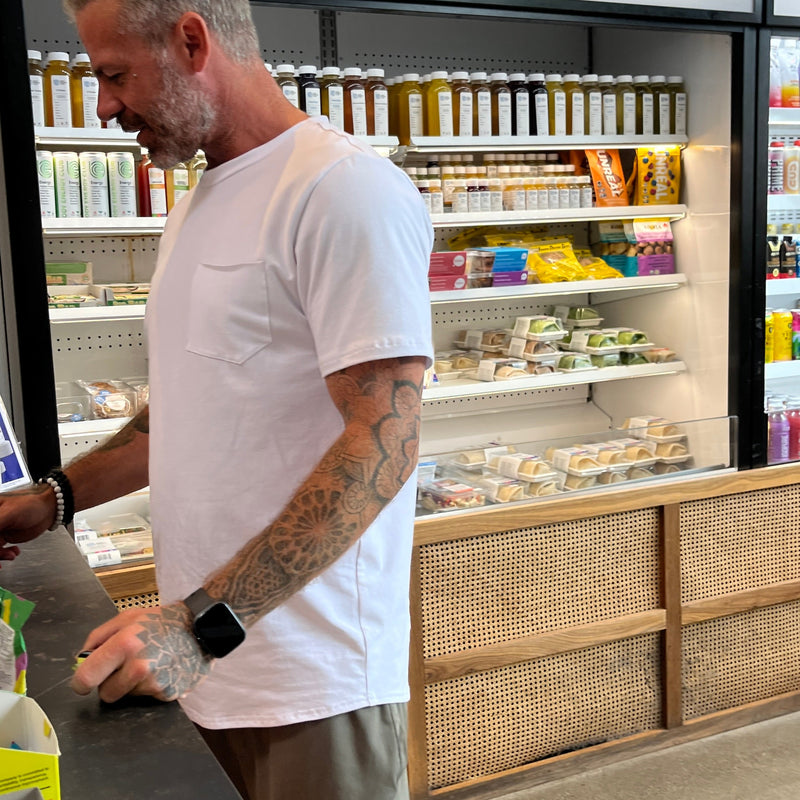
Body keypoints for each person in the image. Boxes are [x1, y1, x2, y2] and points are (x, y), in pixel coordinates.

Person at [0, 1, 433, 797]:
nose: (102, 106)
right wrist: (56, 498)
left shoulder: (344, 190)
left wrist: (203, 625)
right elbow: (182, 415)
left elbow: (386, 440)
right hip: (200, 661)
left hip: (312, 683)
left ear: (191, 41)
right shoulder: (194, 207)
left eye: (114, 74)